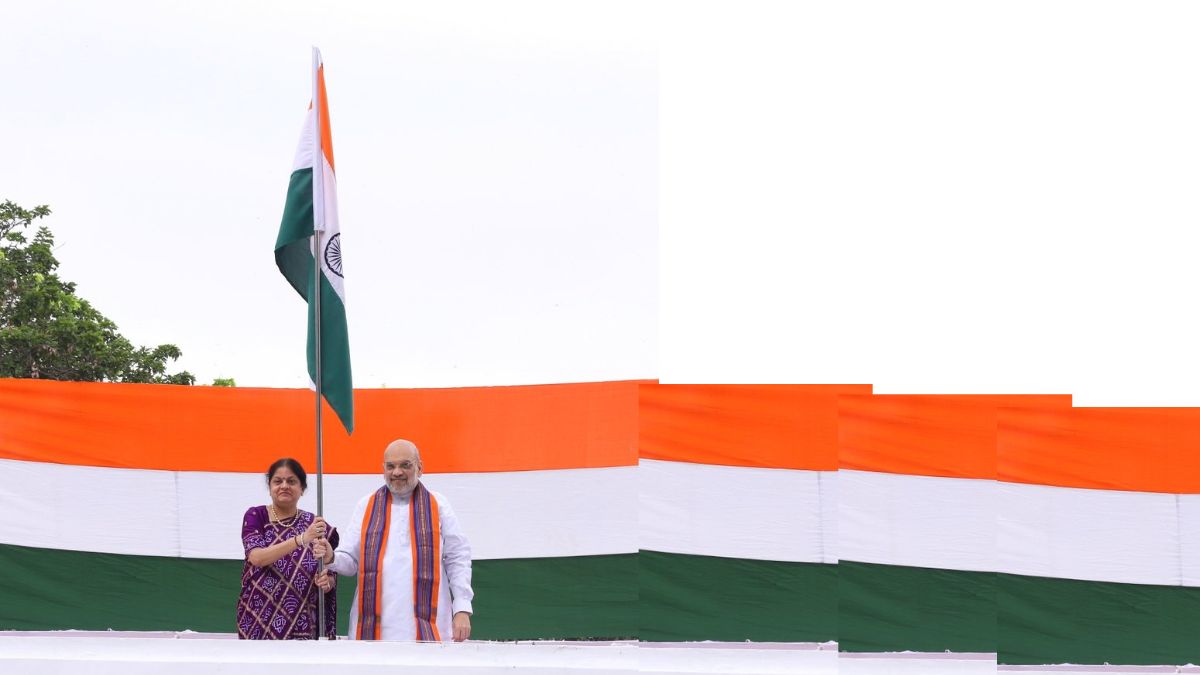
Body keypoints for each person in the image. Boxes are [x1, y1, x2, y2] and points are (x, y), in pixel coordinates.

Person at [313, 439, 473, 641]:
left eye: (405, 465)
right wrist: (331, 557)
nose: (397, 472)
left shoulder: (438, 504)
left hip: (429, 625)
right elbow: (350, 562)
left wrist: (462, 609)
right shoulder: (366, 505)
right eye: (391, 466)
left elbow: (458, 558)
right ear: (383, 469)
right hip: (374, 629)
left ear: (420, 468)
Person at [236, 457, 339, 639]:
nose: (284, 486)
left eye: (291, 481)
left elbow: (329, 572)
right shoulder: (256, 516)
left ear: (302, 489)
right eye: (278, 481)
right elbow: (257, 558)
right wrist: (301, 539)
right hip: (259, 620)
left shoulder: (317, 526)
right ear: (270, 487)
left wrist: (327, 582)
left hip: (302, 623)